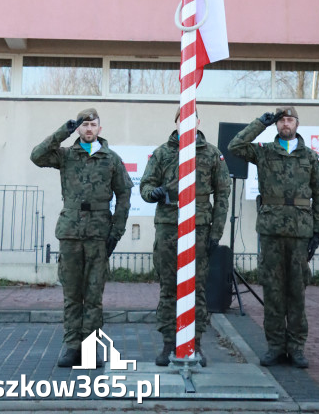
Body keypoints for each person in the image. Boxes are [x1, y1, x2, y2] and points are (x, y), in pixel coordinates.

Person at [228, 106, 319, 369]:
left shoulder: (310, 157)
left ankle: (296, 348)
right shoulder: (264, 152)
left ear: (297, 124)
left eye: (290, 119)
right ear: (277, 124)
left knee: (296, 292)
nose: (286, 123)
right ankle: (275, 347)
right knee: (273, 292)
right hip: (271, 231)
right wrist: (259, 123)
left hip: (299, 233)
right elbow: (235, 146)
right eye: (282, 120)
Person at [30, 108, 132, 368]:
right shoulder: (66, 156)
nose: (88, 128)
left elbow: (124, 196)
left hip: (99, 234)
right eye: (84, 124)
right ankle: (71, 345)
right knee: (72, 294)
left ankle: (90, 349)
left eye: (93, 124)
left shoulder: (111, 159)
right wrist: (63, 130)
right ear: (78, 128)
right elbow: (36, 156)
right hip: (71, 233)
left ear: (100, 128)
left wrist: (116, 232)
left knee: (94, 295)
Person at [140, 107, 231, 367]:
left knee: (197, 288)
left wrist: (216, 232)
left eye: (191, 118)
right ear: (177, 123)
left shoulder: (212, 154)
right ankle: (169, 343)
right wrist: (153, 192)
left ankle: (196, 344)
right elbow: (145, 185)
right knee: (169, 287)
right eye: (182, 119)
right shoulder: (162, 153)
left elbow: (223, 194)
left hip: (199, 229)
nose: (187, 123)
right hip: (169, 227)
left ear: (198, 122)